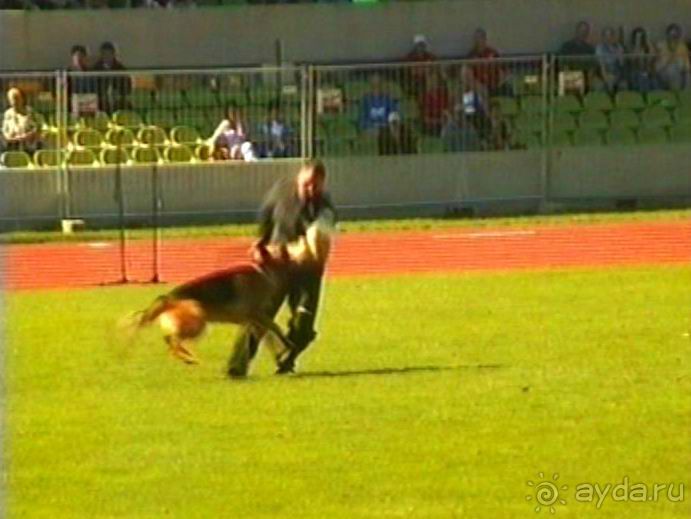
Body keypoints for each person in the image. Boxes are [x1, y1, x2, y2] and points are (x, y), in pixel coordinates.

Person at [227, 159, 337, 377]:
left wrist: (304, 249)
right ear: (299, 178)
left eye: (315, 185)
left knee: (304, 326)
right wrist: (261, 241)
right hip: (276, 267)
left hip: (307, 271)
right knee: (260, 316)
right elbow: (267, 215)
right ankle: (237, 366)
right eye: (306, 184)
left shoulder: (325, 208)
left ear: (323, 183)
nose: (310, 189)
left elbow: (319, 243)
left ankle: (288, 358)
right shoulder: (281, 193)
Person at [466, 28, 510, 96]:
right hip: (479, 88)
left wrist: (499, 83)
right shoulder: (472, 55)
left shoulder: (493, 53)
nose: (478, 40)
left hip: (493, 85)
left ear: (485, 39)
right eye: (476, 38)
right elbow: (467, 73)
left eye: (480, 37)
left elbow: (505, 70)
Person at [92, 41, 131, 113]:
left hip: (117, 99)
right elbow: (92, 86)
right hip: (101, 100)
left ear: (114, 54)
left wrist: (118, 93)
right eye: (104, 54)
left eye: (109, 54)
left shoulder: (120, 68)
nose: (107, 56)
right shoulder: (96, 68)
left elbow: (127, 85)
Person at [2, 87, 41, 153]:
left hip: (29, 147)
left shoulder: (31, 112)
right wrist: (9, 138)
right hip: (12, 147)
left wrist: (28, 136)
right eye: (11, 99)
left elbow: (39, 128)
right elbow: (5, 131)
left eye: (16, 98)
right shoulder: (7, 114)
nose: (14, 101)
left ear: (22, 98)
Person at [655, 24, 690, 91]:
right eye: (672, 35)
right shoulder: (660, 45)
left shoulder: (682, 46)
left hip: (679, 71)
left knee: (687, 75)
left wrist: (686, 70)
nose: (673, 37)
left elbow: (686, 62)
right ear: (667, 35)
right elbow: (659, 62)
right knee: (672, 69)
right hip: (664, 69)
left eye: (676, 35)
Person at [626, 27, 657, 92]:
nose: (640, 39)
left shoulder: (648, 46)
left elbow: (652, 57)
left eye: (642, 37)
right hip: (636, 70)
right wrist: (637, 45)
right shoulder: (631, 47)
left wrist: (648, 43)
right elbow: (632, 60)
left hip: (647, 69)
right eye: (637, 37)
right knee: (640, 76)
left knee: (650, 77)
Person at [595, 27, 626, 92]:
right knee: (609, 82)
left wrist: (619, 55)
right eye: (606, 36)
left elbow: (621, 64)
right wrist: (605, 76)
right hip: (604, 72)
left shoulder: (618, 47)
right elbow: (601, 64)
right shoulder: (600, 47)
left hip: (616, 72)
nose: (608, 38)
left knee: (624, 85)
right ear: (603, 37)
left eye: (610, 35)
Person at [418, 72, 450, 136]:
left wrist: (445, 119)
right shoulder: (424, 97)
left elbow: (446, 111)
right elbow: (425, 118)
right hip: (431, 126)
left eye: (435, 80)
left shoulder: (443, 94)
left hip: (444, 124)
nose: (433, 82)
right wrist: (438, 121)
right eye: (431, 80)